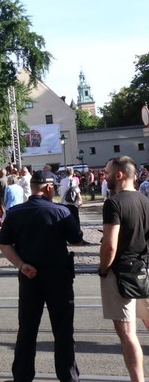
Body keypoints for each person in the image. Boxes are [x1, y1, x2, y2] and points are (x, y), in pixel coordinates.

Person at [0, 170, 82, 382]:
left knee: (27, 329)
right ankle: (68, 377)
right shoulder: (61, 211)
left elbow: (3, 243)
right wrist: (75, 212)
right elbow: (77, 239)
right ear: (49, 188)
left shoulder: (15, 212)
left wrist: (21, 264)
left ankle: (22, 376)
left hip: (29, 276)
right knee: (63, 331)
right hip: (59, 277)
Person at [98, 156, 149, 382]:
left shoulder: (114, 203)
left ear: (119, 175)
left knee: (128, 334)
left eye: (107, 172)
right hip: (145, 269)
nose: (104, 175)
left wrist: (103, 269)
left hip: (121, 273)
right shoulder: (145, 200)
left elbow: (110, 245)